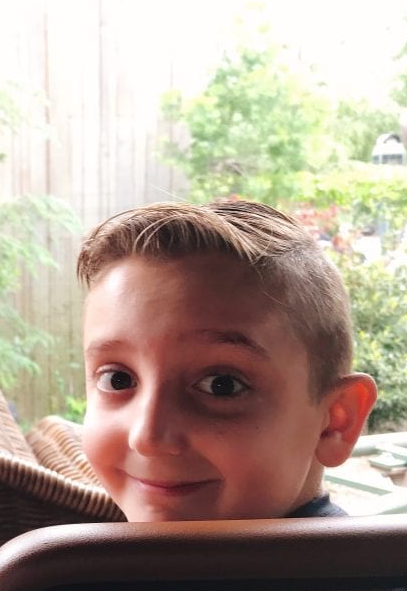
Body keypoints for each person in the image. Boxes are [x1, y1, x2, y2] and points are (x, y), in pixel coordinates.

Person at [76, 199, 378, 522]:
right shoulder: (101, 565)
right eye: (117, 379)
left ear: (335, 422)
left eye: (222, 385)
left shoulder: (354, 572)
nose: (147, 437)